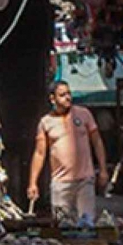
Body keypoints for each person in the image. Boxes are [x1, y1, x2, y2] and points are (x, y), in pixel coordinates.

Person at [28, 80, 109, 222]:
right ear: (52, 99)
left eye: (69, 93)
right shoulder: (45, 122)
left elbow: (97, 142)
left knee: (87, 224)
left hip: (85, 181)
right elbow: (40, 153)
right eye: (62, 95)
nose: (68, 97)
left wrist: (103, 170)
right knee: (62, 226)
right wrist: (33, 182)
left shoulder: (84, 114)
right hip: (60, 184)